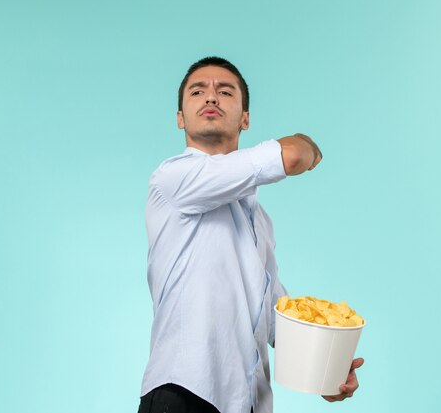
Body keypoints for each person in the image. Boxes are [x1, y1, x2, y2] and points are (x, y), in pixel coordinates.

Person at [138, 57, 363, 413]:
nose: (211, 98)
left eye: (225, 92)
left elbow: (275, 315)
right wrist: (304, 143)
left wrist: (327, 368)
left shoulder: (258, 219)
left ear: (245, 118)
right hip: (182, 394)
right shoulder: (172, 179)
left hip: (248, 403)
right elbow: (288, 156)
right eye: (198, 91)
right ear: (180, 117)